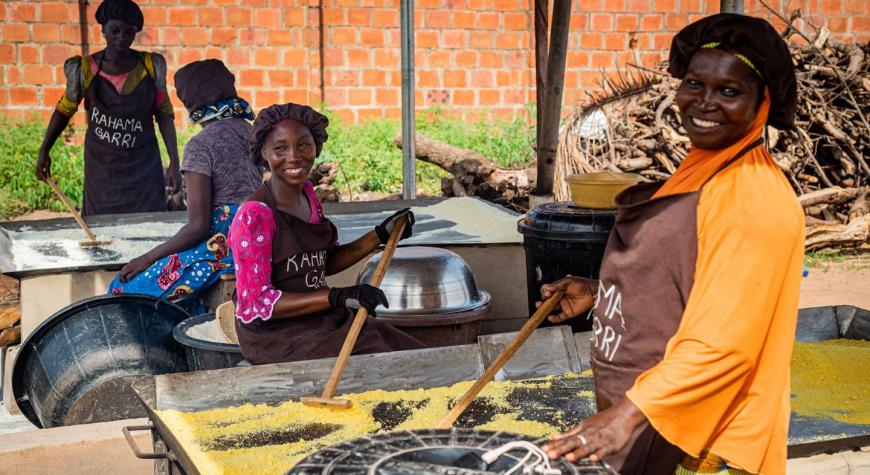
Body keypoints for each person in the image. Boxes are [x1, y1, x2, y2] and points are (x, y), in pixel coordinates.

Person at [539, 14, 803, 474]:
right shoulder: (703, 165)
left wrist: (623, 418)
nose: (704, 103)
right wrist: (603, 293)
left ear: (763, 102)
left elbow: (721, 344)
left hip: (704, 442)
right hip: (657, 420)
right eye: (694, 84)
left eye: (729, 91)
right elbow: (689, 279)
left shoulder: (752, 198)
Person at [227, 103, 425, 365]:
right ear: (264, 152)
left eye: (304, 145)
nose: (294, 156)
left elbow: (324, 263)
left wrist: (379, 235)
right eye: (280, 148)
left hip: (322, 320)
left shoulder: (308, 197)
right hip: (279, 338)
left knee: (410, 351)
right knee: (388, 362)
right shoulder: (254, 216)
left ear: (316, 146)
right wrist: (337, 296)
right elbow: (257, 303)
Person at [107, 59, 262, 308]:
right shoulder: (253, 134)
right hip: (257, 240)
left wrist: (146, 258)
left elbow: (198, 227)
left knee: (120, 292)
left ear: (191, 102)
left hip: (222, 250)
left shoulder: (201, 145)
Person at [36, 0, 180, 216]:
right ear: (103, 29)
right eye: (115, 30)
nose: (121, 37)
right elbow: (64, 110)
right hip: (103, 171)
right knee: (102, 229)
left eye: (129, 32)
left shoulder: (150, 66)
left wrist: (174, 162)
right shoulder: (85, 69)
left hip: (144, 168)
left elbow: (164, 114)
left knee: (148, 227)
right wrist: (44, 150)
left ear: (135, 33)